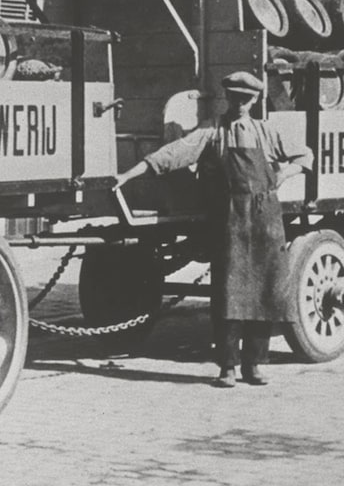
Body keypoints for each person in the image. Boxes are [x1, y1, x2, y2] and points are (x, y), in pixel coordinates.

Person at [114, 71, 313, 388]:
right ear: (228, 98)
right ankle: (228, 368)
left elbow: (306, 155)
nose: (240, 104)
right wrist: (129, 174)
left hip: (266, 221)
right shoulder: (212, 130)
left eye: (246, 99)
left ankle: (256, 365)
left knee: (263, 295)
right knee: (228, 296)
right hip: (230, 220)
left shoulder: (266, 132)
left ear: (255, 100)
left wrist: (284, 175)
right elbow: (173, 154)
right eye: (235, 97)